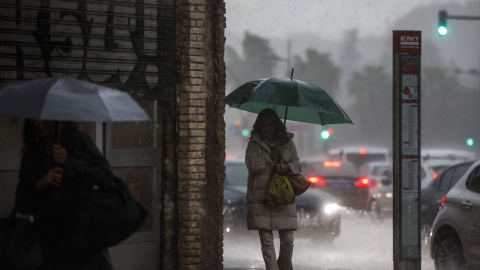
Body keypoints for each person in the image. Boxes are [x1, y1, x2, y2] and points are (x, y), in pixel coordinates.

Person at [15, 120, 114, 270]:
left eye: (44, 119)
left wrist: (69, 161)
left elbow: (103, 176)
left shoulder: (78, 142)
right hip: (48, 242)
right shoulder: (33, 154)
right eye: (34, 120)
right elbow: (22, 204)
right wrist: (40, 184)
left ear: (57, 118)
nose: (39, 124)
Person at [245, 108, 302, 270]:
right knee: (266, 240)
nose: (267, 129)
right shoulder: (254, 143)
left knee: (288, 239)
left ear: (276, 126)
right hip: (261, 197)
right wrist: (270, 156)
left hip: (283, 196)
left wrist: (288, 167)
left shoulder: (288, 143)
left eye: (270, 125)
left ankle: (284, 266)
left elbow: (298, 165)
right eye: (263, 126)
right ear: (259, 127)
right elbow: (251, 165)